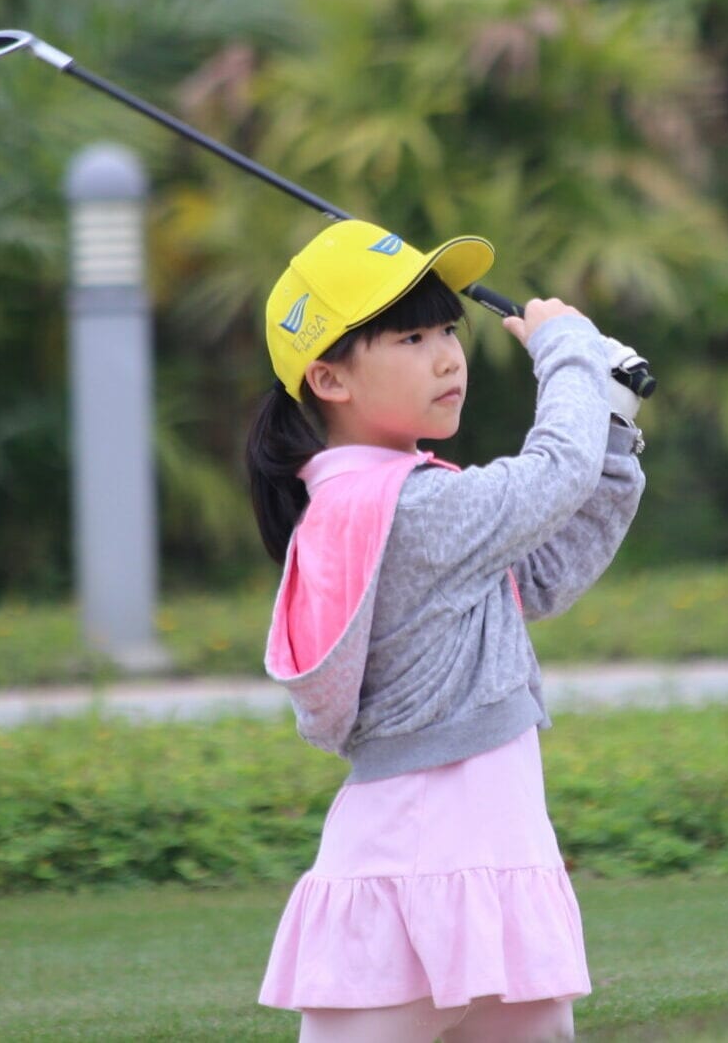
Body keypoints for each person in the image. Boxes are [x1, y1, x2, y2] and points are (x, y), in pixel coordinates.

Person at [246, 219, 647, 1042]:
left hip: (496, 866)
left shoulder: (408, 497)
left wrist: (611, 422)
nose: (446, 357)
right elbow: (552, 474)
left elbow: (538, 576)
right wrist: (567, 349)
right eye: (410, 337)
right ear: (328, 377)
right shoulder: (408, 509)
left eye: (447, 331)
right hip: (412, 876)